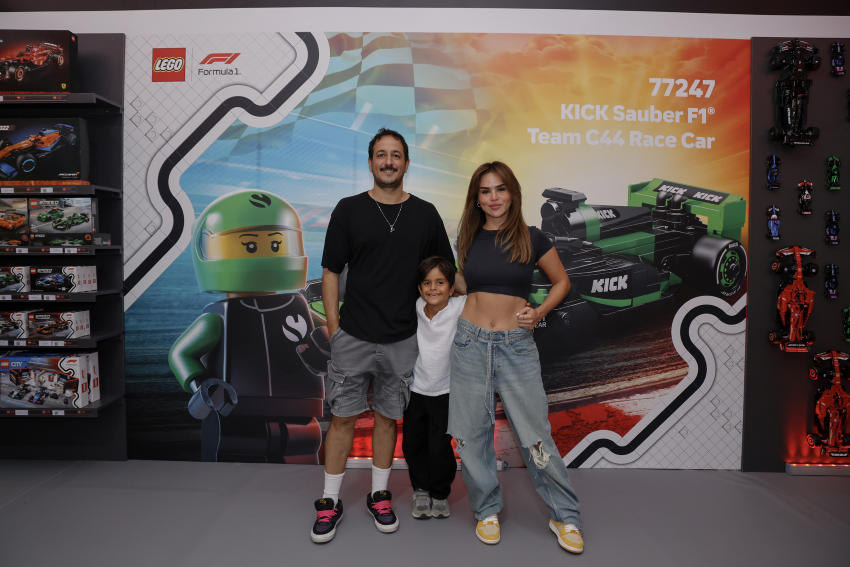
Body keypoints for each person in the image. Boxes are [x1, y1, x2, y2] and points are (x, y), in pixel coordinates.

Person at [312, 128, 455, 543]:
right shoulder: (349, 209)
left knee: (388, 419)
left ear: (406, 163)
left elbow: (447, 274)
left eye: (395, 155)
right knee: (342, 418)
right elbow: (330, 273)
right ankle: (329, 501)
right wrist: (335, 330)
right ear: (371, 162)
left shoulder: (425, 214)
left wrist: (492, 300)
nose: (388, 161)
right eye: (381, 154)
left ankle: (379, 495)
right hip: (353, 335)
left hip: (403, 338)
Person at [448, 161, 584, 553]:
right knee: (471, 436)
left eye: (500, 189)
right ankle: (486, 510)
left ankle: (565, 517)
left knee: (535, 436)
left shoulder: (532, 238)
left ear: (512, 193)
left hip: (516, 345)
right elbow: (467, 285)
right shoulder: (467, 237)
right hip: (469, 343)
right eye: (486, 191)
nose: (494, 197)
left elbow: (562, 282)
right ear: (476, 198)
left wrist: (538, 313)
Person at [402, 256, 466, 520]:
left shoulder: (459, 306)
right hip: (416, 390)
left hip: (446, 392)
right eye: (427, 283)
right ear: (419, 288)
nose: (433, 288)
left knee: (439, 446)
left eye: (440, 282)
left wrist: (455, 281)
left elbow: (478, 296)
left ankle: (440, 494)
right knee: (412, 443)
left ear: (451, 288)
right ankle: (421, 490)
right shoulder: (416, 306)